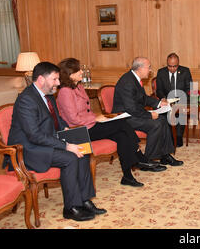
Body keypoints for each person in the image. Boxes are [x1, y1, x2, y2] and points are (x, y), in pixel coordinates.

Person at [5, 62, 105, 222]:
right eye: (55, 79)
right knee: (70, 157)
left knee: (82, 151)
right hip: (28, 150)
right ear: (40, 80)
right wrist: (66, 145)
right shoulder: (26, 100)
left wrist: (65, 130)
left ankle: (84, 200)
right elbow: (34, 135)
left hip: (45, 141)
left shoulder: (48, 95)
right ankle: (71, 208)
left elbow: (57, 120)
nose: (58, 83)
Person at [56, 58, 166, 188]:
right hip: (79, 131)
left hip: (90, 125)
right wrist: (95, 119)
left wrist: (99, 117)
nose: (81, 71)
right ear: (70, 74)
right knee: (121, 124)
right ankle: (139, 155)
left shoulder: (79, 87)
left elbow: (87, 111)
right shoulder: (64, 92)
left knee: (122, 136)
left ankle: (127, 176)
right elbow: (73, 118)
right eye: (78, 70)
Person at [112, 57, 183, 167]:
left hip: (133, 114)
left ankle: (165, 156)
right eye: (149, 67)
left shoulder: (135, 79)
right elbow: (131, 109)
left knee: (162, 120)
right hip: (124, 118)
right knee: (156, 123)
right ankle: (148, 159)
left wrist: (159, 103)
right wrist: (149, 115)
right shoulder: (127, 82)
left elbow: (143, 98)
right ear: (140, 68)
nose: (150, 70)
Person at [155, 53, 193, 147]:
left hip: (181, 100)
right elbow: (159, 89)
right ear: (167, 64)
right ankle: (169, 136)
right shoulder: (161, 72)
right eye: (170, 66)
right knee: (166, 111)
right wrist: (163, 98)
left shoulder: (185, 71)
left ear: (178, 64)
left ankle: (179, 136)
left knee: (181, 110)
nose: (172, 69)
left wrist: (183, 98)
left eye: (175, 66)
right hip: (167, 101)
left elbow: (190, 88)